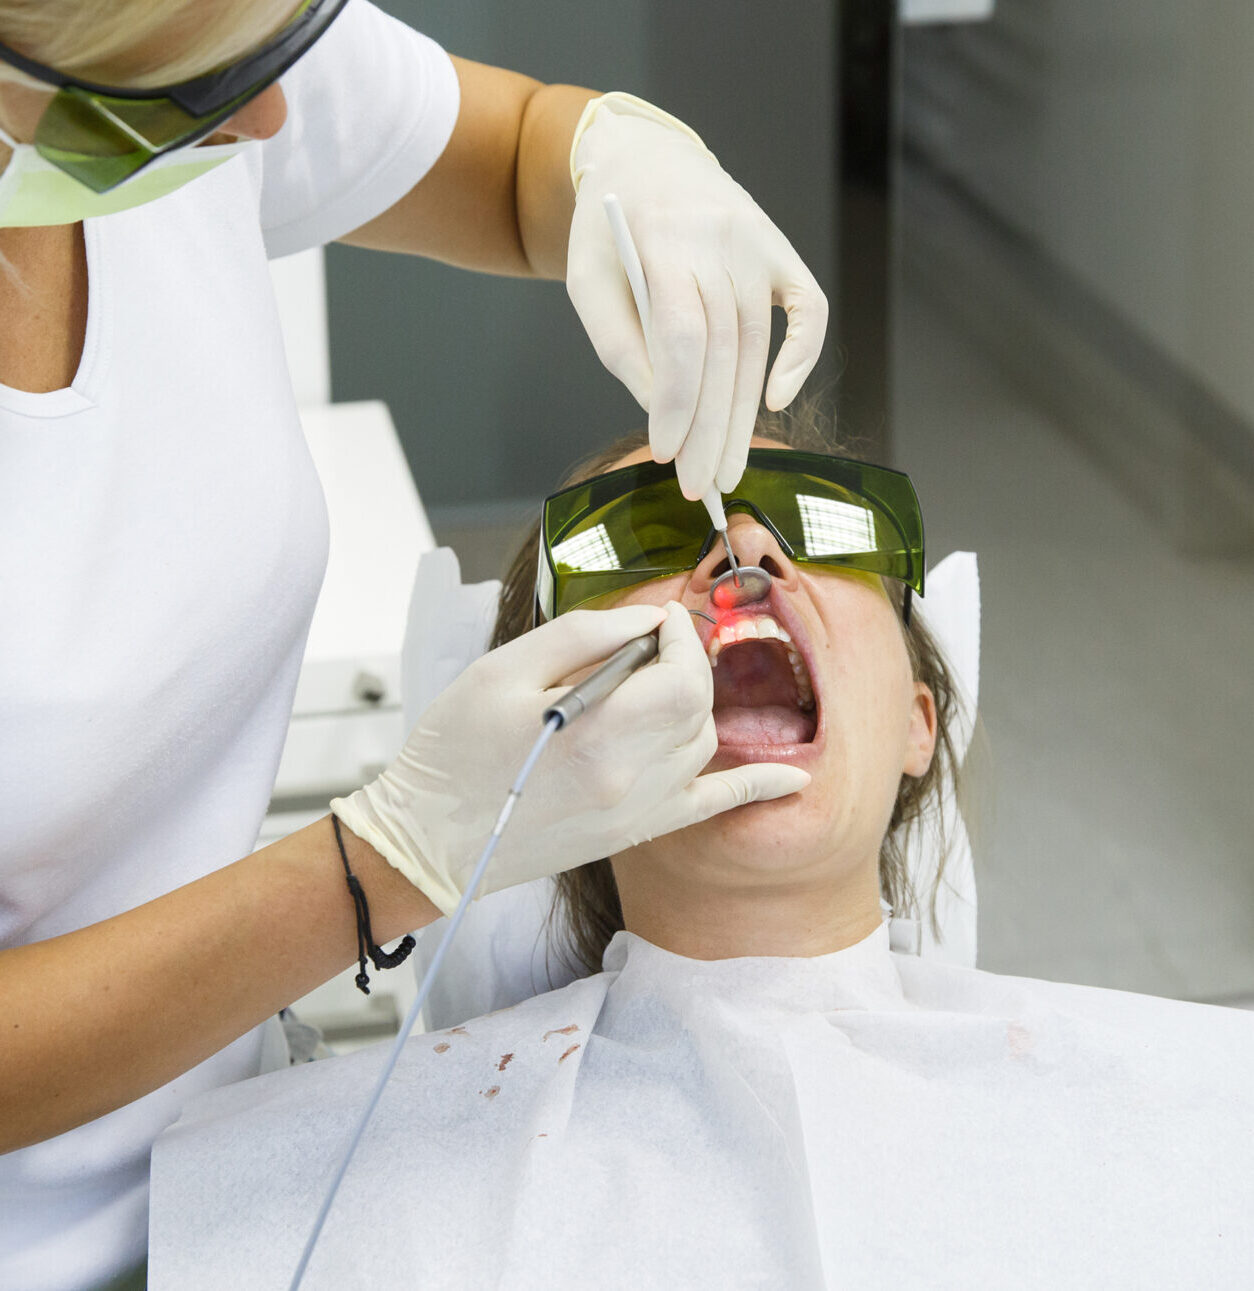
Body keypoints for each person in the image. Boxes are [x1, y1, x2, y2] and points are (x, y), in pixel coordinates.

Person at [0, 0, 827, 1288]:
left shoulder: (185, 33)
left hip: (231, 1163)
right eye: (194, 81)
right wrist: (385, 858)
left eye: (295, 20)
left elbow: (512, 157)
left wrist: (621, 160)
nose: (270, 118)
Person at [148, 408, 1254, 1289]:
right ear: (555, 728)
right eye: (643, 534)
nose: (745, 546)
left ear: (919, 723)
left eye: (822, 524)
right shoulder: (322, 1184)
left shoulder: (1202, 1116)